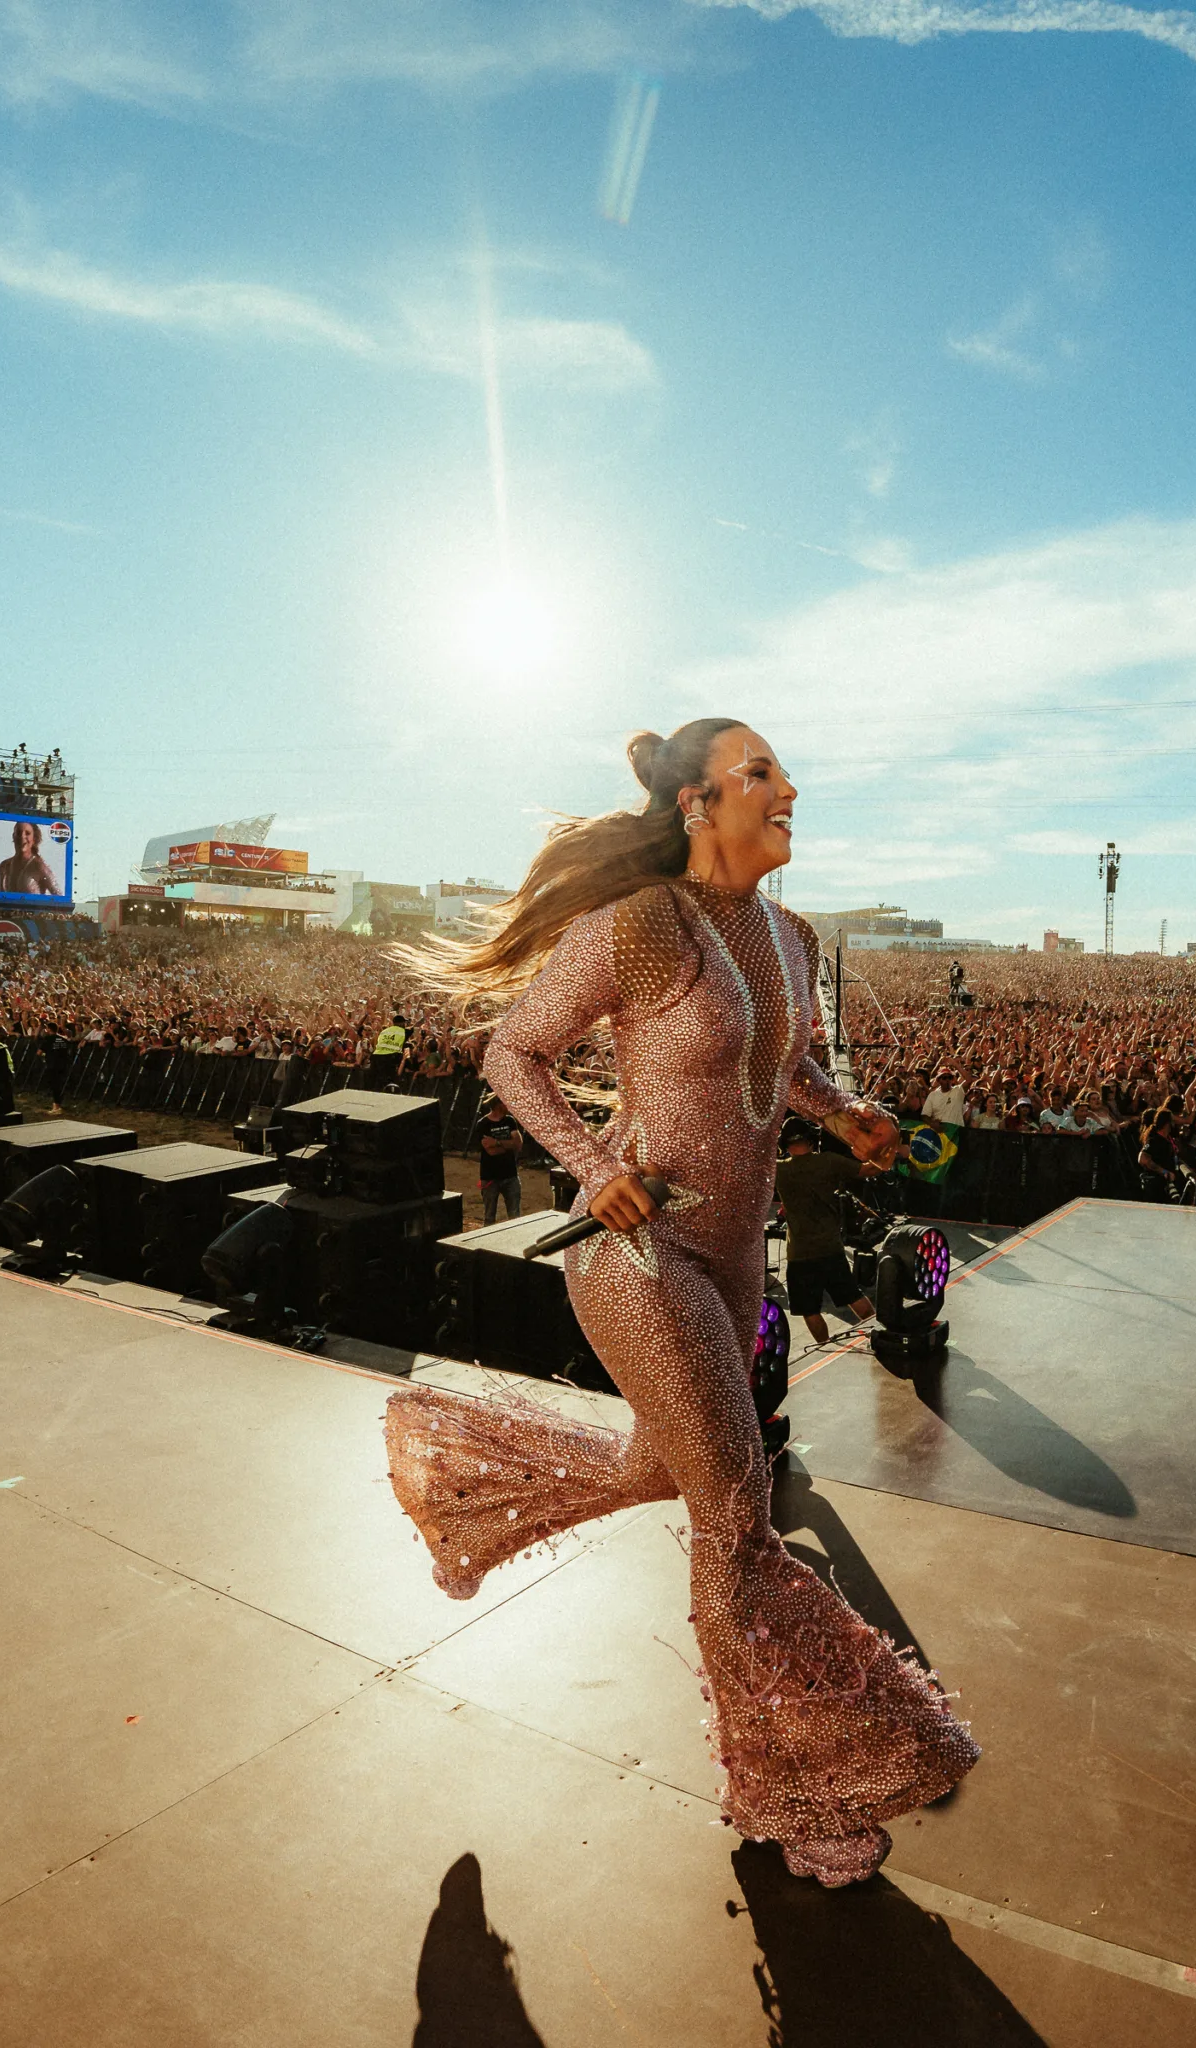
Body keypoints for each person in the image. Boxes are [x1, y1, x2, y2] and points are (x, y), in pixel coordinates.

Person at [383, 718, 976, 1890]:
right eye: (761, 772)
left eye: (782, 769)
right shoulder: (645, 923)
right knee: (737, 1501)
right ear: (699, 802)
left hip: (734, 1252)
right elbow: (515, 1052)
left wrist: (844, 1110)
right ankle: (789, 1788)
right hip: (644, 1249)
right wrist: (592, 1169)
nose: (789, 786)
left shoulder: (793, 935)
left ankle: (472, 1489)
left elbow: (783, 1067)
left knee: (674, 1468)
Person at [775, 1118, 882, 1344]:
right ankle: (880, 1337)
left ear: (784, 1143)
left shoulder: (778, 1170)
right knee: (854, 1297)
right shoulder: (828, 1161)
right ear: (812, 1140)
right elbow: (869, 1169)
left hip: (800, 1252)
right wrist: (891, 1149)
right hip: (830, 1247)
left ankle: (824, 1348)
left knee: (809, 1309)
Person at [474, 1098, 525, 1223]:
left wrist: (496, 1142)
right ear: (498, 1105)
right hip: (490, 1177)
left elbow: (518, 1144)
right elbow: (491, 1151)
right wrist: (508, 1145)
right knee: (489, 1217)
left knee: (515, 1217)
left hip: (510, 1176)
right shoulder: (483, 1124)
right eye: (505, 1102)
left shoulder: (510, 1121)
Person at [0, 818, 57, 895]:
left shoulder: (39, 866)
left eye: (27, 833)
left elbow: (60, 899)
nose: (22, 836)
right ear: (13, 836)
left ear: (34, 838)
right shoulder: (4, 865)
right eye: (18, 833)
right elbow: (1, 899)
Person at [370, 1012, 408, 1089]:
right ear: (401, 1023)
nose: (405, 1024)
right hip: (390, 1057)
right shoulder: (403, 1031)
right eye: (404, 1022)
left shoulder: (384, 1031)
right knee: (389, 1081)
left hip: (376, 1056)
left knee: (377, 1080)